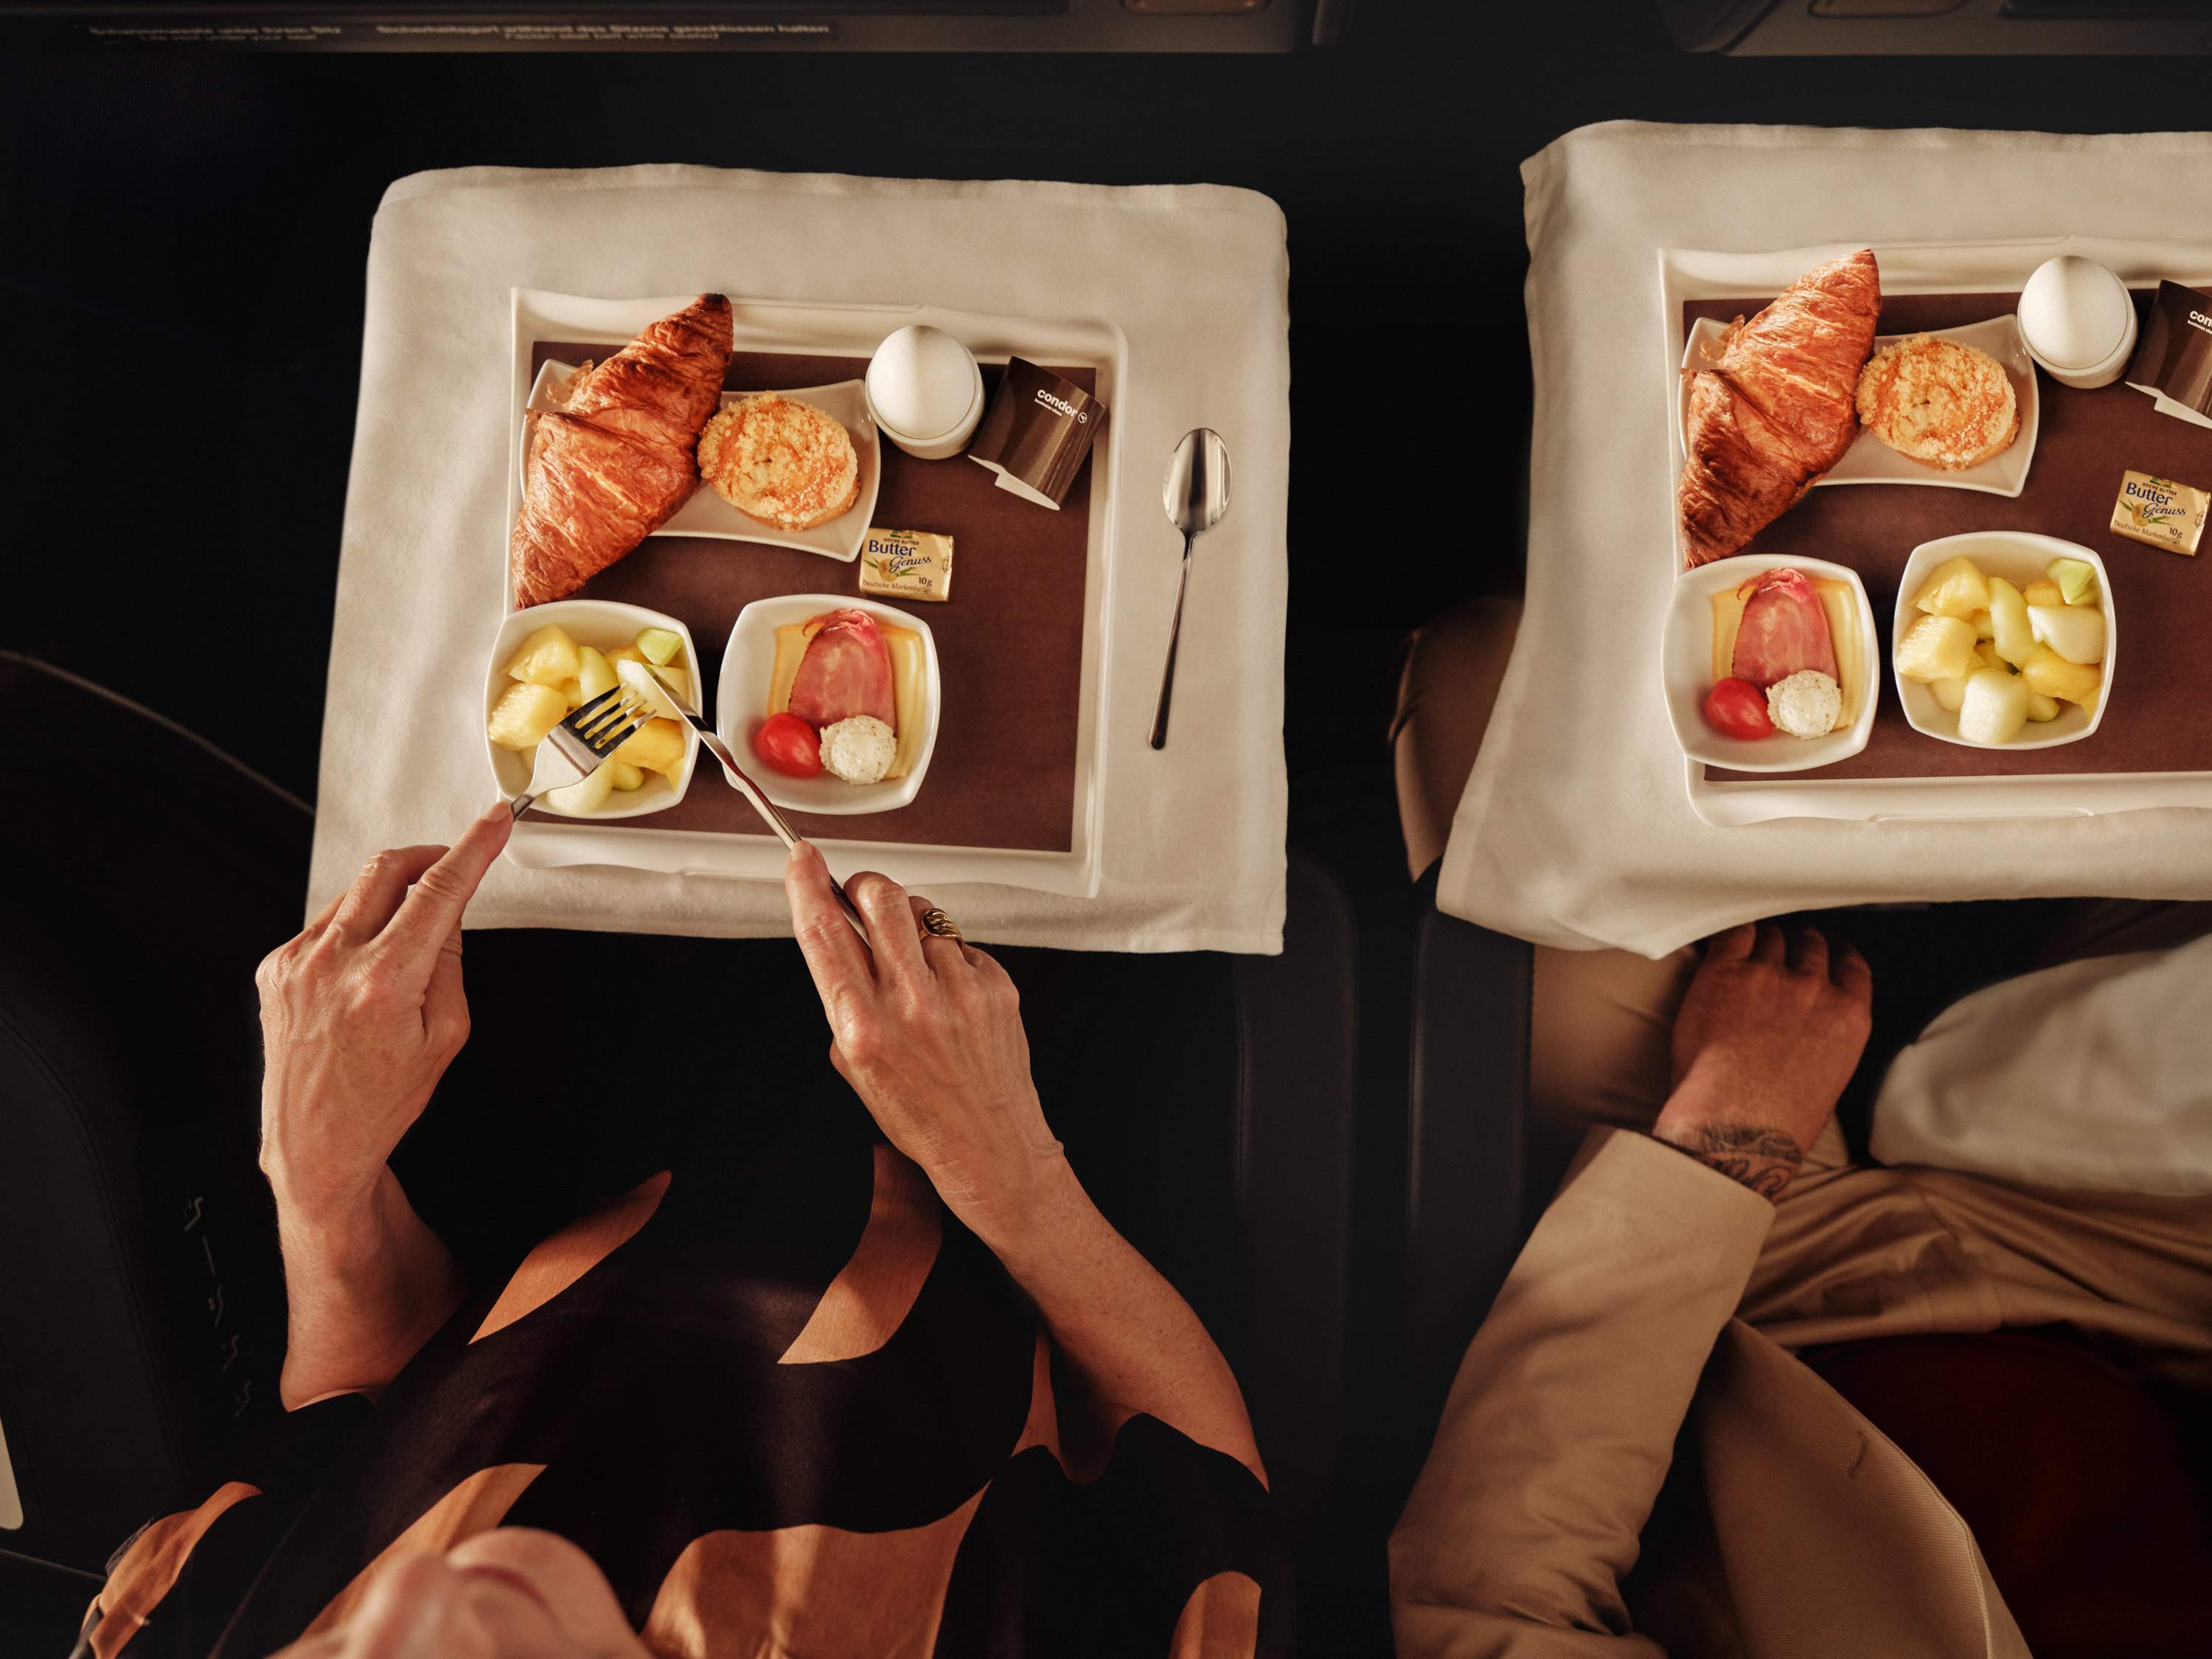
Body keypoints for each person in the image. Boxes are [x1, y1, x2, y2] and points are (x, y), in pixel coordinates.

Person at [77, 803, 1281, 1658]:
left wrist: (321, 1186)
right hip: (1049, 1166)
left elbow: (359, 1421)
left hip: (591, 1126)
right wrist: (1013, 1172)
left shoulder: (161, 1637)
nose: (412, 1603)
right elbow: (1202, 1472)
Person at [1386, 600, 2212, 1659]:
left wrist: (1728, 1145)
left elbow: (1492, 1597)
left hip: (1754, 1308)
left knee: (1508, 701)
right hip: (2148, 1300)